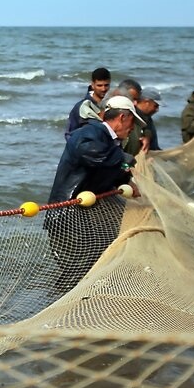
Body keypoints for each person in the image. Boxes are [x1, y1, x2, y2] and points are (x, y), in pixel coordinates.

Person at [45, 102, 141, 291]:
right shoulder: (90, 133)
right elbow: (90, 153)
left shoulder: (109, 141)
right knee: (76, 269)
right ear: (122, 117)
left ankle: (75, 306)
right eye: (132, 122)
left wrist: (125, 179)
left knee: (93, 261)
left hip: (84, 215)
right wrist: (124, 159)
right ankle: (60, 309)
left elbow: (104, 168)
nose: (132, 129)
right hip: (66, 214)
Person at [65, 67, 112, 138]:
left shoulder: (111, 103)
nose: (103, 89)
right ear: (92, 85)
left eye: (106, 85)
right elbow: (69, 134)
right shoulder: (81, 107)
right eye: (99, 85)